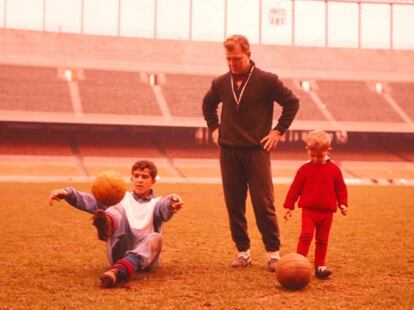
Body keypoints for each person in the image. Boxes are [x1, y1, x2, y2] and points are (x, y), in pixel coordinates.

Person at [202, 34, 300, 272]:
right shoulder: (221, 82)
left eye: (237, 58)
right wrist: (214, 128)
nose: (232, 63)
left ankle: (273, 253)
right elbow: (207, 105)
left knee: (262, 203)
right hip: (228, 151)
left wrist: (278, 131)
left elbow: (292, 102)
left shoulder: (267, 80)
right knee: (234, 204)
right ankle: (243, 252)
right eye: (228, 59)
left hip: (257, 151)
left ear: (248, 55)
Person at [48, 160, 183, 288]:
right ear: (131, 179)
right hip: (119, 251)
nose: (140, 180)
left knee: (156, 238)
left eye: (145, 177)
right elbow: (90, 200)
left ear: (153, 182)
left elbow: (164, 207)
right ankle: (106, 225)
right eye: (136, 176)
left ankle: (118, 269)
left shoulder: (157, 203)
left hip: (145, 260)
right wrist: (68, 193)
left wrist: (172, 202)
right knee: (115, 208)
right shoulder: (119, 197)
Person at [283, 130, 348, 279]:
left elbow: (341, 188)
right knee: (305, 235)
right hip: (309, 211)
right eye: (312, 155)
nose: (316, 159)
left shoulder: (334, 169)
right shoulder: (304, 169)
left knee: (322, 240)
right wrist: (289, 206)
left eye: (320, 156)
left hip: (327, 213)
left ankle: (320, 266)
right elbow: (295, 188)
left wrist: (343, 204)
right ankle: (298, 264)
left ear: (328, 151)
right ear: (307, 149)